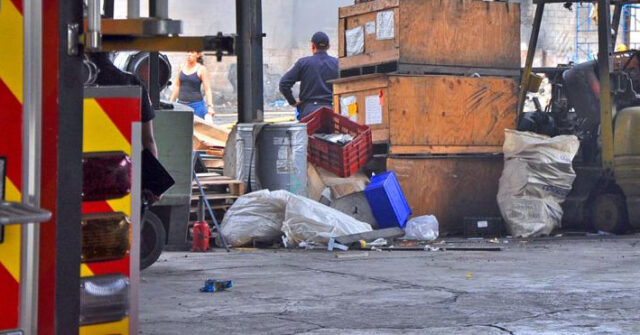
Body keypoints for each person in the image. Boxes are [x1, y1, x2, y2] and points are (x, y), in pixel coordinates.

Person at [88, 52, 158, 158]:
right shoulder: (133, 83)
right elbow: (148, 140)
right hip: (124, 167)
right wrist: (154, 173)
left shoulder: (71, 86)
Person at [279, 31, 339, 120]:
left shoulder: (303, 63)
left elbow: (283, 84)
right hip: (331, 111)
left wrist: (293, 102)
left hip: (308, 112)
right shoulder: (337, 63)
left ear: (312, 46)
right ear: (328, 46)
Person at [169, 51, 215, 119]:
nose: (189, 54)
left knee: (196, 128)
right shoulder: (181, 67)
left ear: (198, 55)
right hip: (181, 105)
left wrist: (210, 107)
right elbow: (177, 86)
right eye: (188, 52)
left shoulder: (201, 69)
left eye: (192, 52)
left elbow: (207, 89)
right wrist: (171, 103)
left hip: (196, 106)